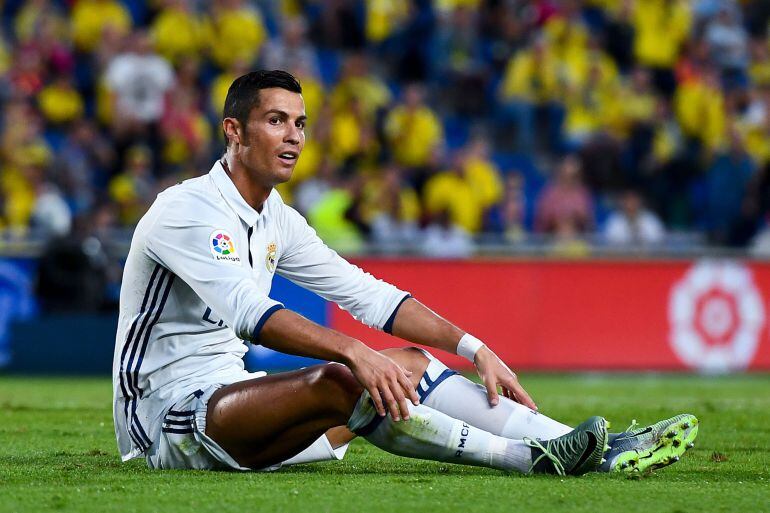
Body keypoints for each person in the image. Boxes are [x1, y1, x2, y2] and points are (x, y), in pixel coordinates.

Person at [112, 70, 698, 476]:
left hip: (239, 408)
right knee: (345, 377)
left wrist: (473, 347)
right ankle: (526, 460)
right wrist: (354, 351)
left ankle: (588, 447)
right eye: (275, 120)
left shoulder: (275, 218)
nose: (293, 136)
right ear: (234, 131)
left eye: (300, 123)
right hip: (167, 420)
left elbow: (367, 295)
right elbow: (250, 315)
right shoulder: (187, 210)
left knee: (411, 365)